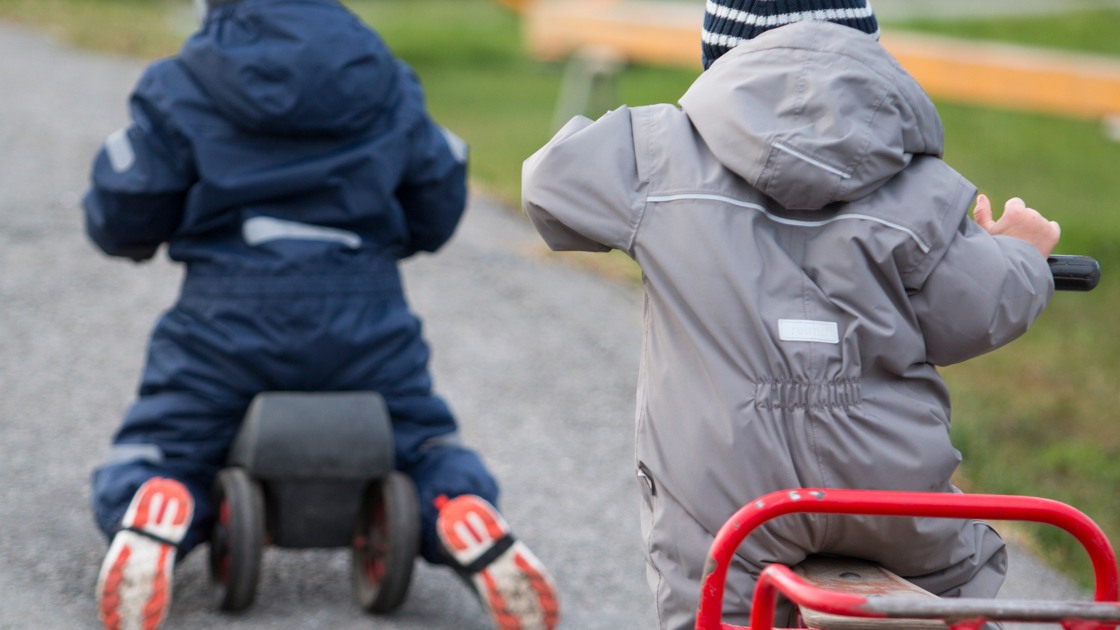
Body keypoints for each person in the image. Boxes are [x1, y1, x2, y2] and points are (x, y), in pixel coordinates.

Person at [521, 0, 1061, 628]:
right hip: (893, 496)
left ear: (721, 59)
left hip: (730, 502)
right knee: (954, 586)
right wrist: (1022, 255)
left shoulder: (658, 153)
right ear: (868, 56)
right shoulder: (926, 186)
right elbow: (969, 314)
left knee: (710, 600)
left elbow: (548, 186)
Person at [84, 1, 558, 629]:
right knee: (417, 439)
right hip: (366, 308)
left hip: (226, 313)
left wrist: (131, 233)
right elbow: (437, 192)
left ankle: (157, 502)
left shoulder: (183, 81)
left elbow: (129, 203)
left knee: (169, 440)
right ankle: (457, 508)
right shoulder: (384, 76)